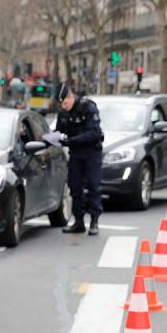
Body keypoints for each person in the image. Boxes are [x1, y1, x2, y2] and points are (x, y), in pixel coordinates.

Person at [53, 83, 104, 234]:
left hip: (91, 152)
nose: (63, 106)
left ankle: (94, 221)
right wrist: (52, 138)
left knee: (93, 186)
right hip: (75, 153)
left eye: (64, 103)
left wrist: (72, 141)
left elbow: (94, 133)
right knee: (75, 187)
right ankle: (79, 221)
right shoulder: (63, 113)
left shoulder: (87, 108)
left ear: (71, 96)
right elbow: (59, 131)